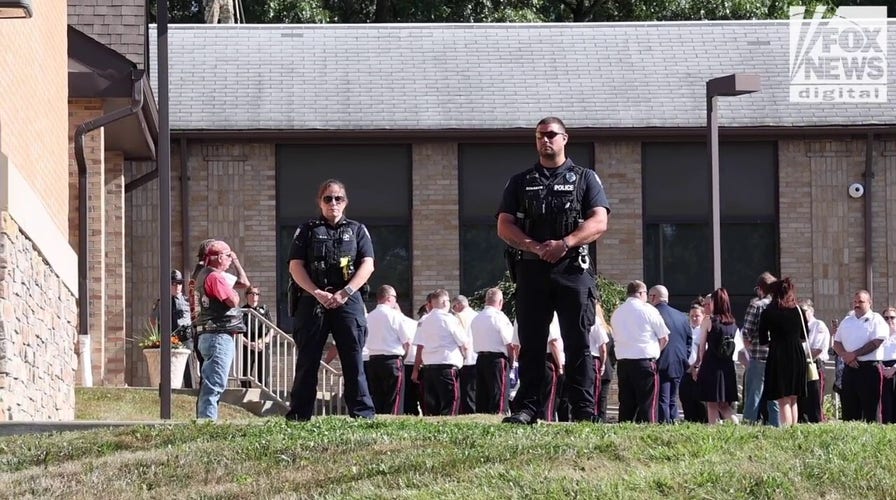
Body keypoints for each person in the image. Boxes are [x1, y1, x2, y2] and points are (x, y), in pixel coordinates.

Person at [497, 116, 611, 425]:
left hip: (573, 270)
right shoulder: (520, 181)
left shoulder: (585, 178)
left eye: (551, 134)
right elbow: (504, 224)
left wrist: (566, 242)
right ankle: (526, 409)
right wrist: (534, 246)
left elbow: (599, 221)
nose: (545, 140)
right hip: (532, 271)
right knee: (532, 344)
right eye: (539, 136)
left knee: (578, 343)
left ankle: (584, 411)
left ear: (564, 138)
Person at [284, 179, 376, 421]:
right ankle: (299, 416)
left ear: (345, 202)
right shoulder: (307, 230)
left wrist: (346, 292)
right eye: (328, 198)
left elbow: (367, 264)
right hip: (313, 300)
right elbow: (295, 266)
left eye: (338, 198)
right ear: (320, 202)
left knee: (354, 359)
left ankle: (362, 414)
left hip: (349, 301)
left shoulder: (357, 230)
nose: (333, 203)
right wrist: (317, 292)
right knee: (307, 360)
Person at [194, 240, 250, 420]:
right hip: (217, 335)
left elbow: (243, 284)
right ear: (219, 257)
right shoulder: (215, 277)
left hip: (209, 335)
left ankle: (206, 421)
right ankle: (207, 424)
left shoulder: (204, 275)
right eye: (228, 256)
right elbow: (232, 300)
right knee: (214, 385)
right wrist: (233, 294)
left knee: (211, 382)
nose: (229, 260)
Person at [610, 280, 669, 423]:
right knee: (648, 405)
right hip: (644, 361)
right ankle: (648, 434)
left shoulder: (617, 312)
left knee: (626, 405)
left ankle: (623, 436)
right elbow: (664, 337)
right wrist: (656, 352)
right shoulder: (648, 310)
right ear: (642, 293)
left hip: (623, 363)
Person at [755, 278, 807, 427]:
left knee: (783, 397)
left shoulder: (769, 312)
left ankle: (786, 430)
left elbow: (763, 339)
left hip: (778, 354)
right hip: (797, 354)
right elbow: (804, 336)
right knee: (793, 398)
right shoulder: (798, 310)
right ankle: (793, 428)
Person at [833, 290, 888, 422]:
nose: (857, 304)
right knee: (849, 410)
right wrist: (846, 357)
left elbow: (876, 342)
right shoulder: (847, 321)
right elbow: (837, 343)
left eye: (861, 302)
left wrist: (854, 354)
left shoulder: (876, 319)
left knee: (871, 411)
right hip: (849, 368)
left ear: (870, 303)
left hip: (869, 369)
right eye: (855, 302)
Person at [412, 289, 468, 416]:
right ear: (444, 302)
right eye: (448, 301)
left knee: (432, 408)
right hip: (447, 367)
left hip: (429, 369)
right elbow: (464, 343)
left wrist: (416, 369)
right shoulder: (450, 319)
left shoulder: (423, 321)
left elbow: (420, 346)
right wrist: (464, 358)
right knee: (450, 406)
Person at [694, 288, 739, 425]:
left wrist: (699, 364)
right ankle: (735, 425)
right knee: (724, 404)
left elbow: (702, 346)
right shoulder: (732, 323)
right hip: (727, 366)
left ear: (715, 302)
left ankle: (712, 430)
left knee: (711, 402)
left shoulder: (709, 321)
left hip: (712, 364)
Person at [365, 285, 411, 415]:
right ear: (389, 298)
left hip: (373, 360)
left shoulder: (369, 317)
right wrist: (404, 357)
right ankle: (393, 421)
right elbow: (407, 341)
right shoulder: (394, 315)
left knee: (377, 395)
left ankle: (378, 420)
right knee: (394, 396)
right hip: (392, 359)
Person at [741, 272, 779, 426]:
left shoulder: (757, 305)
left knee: (753, 396)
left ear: (760, 289)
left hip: (759, 356)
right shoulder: (781, 305)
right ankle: (777, 428)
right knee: (774, 397)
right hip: (777, 358)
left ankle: (748, 427)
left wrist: (749, 344)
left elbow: (746, 331)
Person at [649, 285, 692, 423]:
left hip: (661, 361)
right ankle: (673, 422)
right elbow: (688, 340)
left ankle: (664, 426)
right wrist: (684, 358)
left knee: (662, 398)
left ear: (653, 297)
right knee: (672, 398)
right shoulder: (682, 316)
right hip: (679, 361)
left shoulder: (652, 313)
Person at [471, 288, 514, 414]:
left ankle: (482, 416)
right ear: (500, 302)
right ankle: (498, 415)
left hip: (480, 358)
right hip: (497, 360)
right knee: (498, 393)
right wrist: (512, 361)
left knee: (482, 393)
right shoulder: (499, 317)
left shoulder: (477, 318)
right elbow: (510, 343)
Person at [151, 269, 195, 388]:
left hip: (185, 337)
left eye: (179, 283)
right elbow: (154, 320)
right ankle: (168, 387)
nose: (177, 286)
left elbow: (194, 316)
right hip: (169, 336)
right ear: (169, 285)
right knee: (168, 364)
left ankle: (189, 389)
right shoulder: (162, 302)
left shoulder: (187, 301)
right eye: (173, 283)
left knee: (188, 365)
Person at [797, 299, 830, 423]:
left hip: (813, 365)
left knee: (814, 399)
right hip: (799, 365)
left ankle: (816, 423)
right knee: (800, 399)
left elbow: (816, 350)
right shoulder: (798, 327)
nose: (802, 314)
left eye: (804, 311)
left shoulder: (818, 325)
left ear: (812, 311)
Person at [240, 286, 273, 389]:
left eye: (257, 294)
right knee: (245, 373)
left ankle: (264, 395)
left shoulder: (264, 310)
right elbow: (237, 333)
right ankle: (245, 394)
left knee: (263, 373)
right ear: (247, 295)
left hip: (262, 346)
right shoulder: (242, 311)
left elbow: (271, 329)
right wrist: (249, 344)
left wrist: (263, 342)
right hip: (247, 346)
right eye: (252, 293)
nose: (254, 296)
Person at [452, 294, 478, 414]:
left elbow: (460, 340)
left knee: (466, 393)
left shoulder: (458, 317)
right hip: (477, 358)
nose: (453, 310)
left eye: (453, 307)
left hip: (466, 360)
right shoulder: (477, 316)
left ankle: (468, 414)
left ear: (459, 305)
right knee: (475, 391)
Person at [588, 300, 611, 420]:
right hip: (594, 359)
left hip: (581, 358)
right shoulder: (596, 321)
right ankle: (595, 417)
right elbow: (603, 347)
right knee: (597, 394)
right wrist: (603, 363)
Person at [879, 307, 896, 423]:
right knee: (885, 404)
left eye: (892, 317)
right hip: (882, 370)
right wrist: (882, 368)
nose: (889, 320)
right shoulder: (879, 336)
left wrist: (894, 369)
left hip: (895, 368)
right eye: (886, 318)